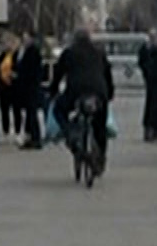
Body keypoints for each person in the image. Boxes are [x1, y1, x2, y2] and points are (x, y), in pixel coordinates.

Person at [49, 27, 116, 171]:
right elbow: (107, 74)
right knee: (100, 125)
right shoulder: (99, 52)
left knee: (58, 110)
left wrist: (53, 90)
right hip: (99, 93)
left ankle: (70, 133)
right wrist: (109, 94)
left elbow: (58, 73)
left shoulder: (69, 53)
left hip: (76, 92)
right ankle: (101, 157)